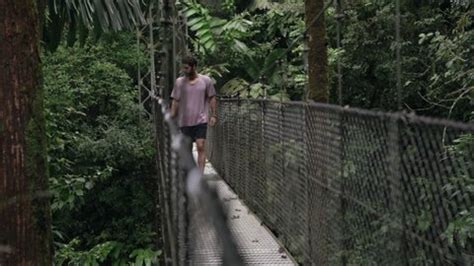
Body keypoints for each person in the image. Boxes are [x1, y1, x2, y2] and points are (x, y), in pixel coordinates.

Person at [170, 55, 217, 172]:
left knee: (200, 146)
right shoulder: (179, 82)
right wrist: (171, 117)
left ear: (194, 67)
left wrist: (214, 115)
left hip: (201, 119)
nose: (184, 71)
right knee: (188, 148)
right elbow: (175, 100)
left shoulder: (205, 80)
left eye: (186, 68)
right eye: (183, 68)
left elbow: (212, 97)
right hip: (184, 121)